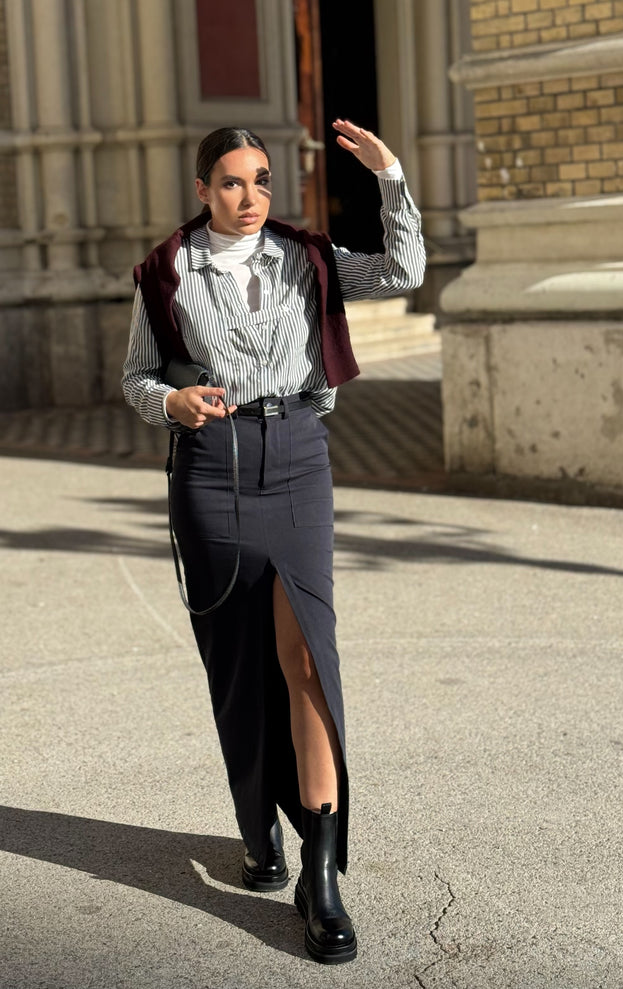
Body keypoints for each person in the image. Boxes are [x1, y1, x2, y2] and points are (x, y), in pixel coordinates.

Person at [122, 120, 425, 964]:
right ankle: (258, 829)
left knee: (305, 655)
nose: (250, 198)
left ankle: (320, 871)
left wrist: (389, 175)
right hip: (209, 472)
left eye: (260, 181)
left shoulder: (307, 256)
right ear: (201, 190)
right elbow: (137, 374)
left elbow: (405, 270)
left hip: (296, 456)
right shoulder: (165, 270)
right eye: (231, 183)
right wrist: (169, 405)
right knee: (238, 659)